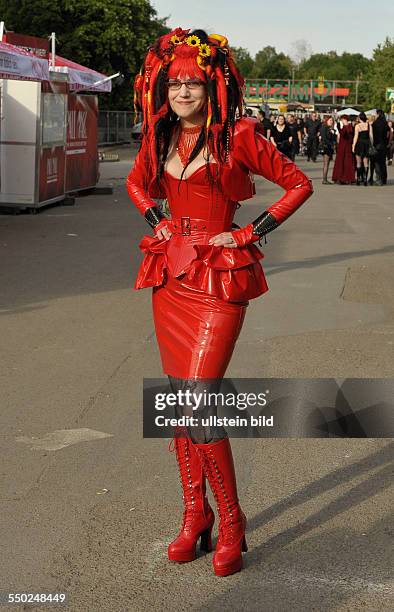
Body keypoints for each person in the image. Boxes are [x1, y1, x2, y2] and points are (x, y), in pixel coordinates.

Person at [126, 27, 313, 578]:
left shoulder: (239, 137)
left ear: (211, 87)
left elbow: (298, 184)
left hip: (220, 279)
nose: (183, 93)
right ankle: (195, 514)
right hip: (171, 278)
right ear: (164, 89)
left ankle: (232, 521)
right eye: (175, 84)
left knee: (199, 399)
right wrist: (158, 223)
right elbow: (137, 186)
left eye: (193, 84)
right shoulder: (159, 136)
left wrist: (249, 232)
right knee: (179, 403)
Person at [332, 115, 355, 184]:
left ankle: (346, 178)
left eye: (343, 120)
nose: (342, 121)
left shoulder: (349, 126)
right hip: (343, 146)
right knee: (341, 162)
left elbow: (344, 134)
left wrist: (341, 128)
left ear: (345, 120)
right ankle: (341, 178)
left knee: (346, 163)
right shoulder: (347, 126)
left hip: (346, 147)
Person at [352, 112, 373, 185]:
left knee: (358, 162)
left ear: (360, 118)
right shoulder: (368, 125)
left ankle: (358, 179)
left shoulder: (357, 126)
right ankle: (365, 179)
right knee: (366, 163)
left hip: (359, 144)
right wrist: (371, 145)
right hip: (366, 144)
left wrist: (353, 146)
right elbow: (371, 137)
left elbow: (355, 137)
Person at [372, 109, 390, 185]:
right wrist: (388, 142)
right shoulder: (385, 123)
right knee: (383, 162)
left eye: (376, 114)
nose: (375, 115)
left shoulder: (375, 123)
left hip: (376, 145)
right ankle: (384, 179)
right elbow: (389, 133)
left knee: (377, 162)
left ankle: (379, 179)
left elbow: (372, 135)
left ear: (378, 114)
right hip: (384, 145)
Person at [319, 116, 337, 184]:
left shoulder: (330, 128)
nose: (331, 122)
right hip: (326, 147)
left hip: (329, 147)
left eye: (332, 120)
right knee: (326, 163)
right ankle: (324, 179)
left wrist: (333, 133)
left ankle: (325, 179)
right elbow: (324, 138)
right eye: (330, 120)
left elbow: (333, 138)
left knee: (327, 163)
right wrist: (331, 143)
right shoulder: (324, 127)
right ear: (326, 121)